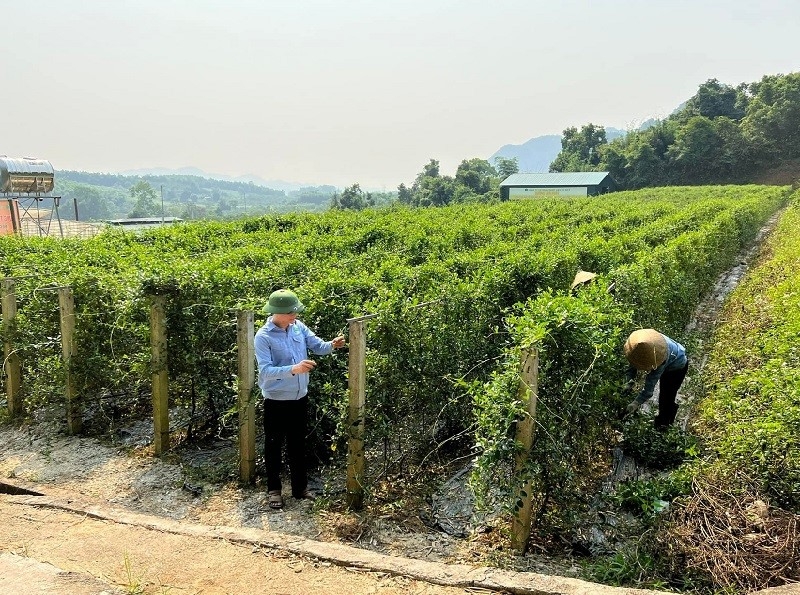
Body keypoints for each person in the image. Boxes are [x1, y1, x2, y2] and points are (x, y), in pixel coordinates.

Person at [254, 289, 345, 510]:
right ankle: (274, 490)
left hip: (299, 398)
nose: (296, 314)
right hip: (275, 400)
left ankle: (299, 489)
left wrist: (333, 345)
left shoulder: (299, 327)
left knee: (297, 443)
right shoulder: (263, 337)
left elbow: (318, 347)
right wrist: (294, 369)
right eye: (292, 311)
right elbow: (265, 371)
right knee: (273, 445)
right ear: (279, 312)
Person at [623, 328, 688, 428]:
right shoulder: (641, 347)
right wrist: (628, 382)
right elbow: (632, 366)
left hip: (677, 367)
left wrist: (635, 403)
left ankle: (664, 424)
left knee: (666, 397)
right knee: (665, 396)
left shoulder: (660, 358)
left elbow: (648, 390)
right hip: (671, 357)